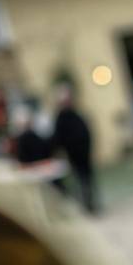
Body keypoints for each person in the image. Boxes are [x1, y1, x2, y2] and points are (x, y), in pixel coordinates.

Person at [51, 82, 99, 214]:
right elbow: (58, 139)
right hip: (73, 156)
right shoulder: (61, 118)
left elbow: (85, 133)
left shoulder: (76, 115)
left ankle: (90, 204)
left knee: (87, 179)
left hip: (83, 155)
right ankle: (85, 205)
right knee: (79, 180)